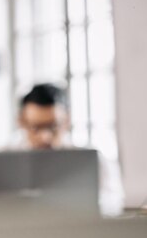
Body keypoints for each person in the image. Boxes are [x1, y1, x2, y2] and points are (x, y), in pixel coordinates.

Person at [14, 83, 125, 216]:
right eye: (35, 127)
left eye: (53, 126)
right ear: (21, 122)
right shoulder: (2, 163)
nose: (45, 137)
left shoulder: (94, 160)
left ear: (66, 121)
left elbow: (113, 203)